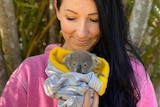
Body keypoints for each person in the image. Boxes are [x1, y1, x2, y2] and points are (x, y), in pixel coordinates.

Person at [0, 0, 158, 107]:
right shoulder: (30, 73)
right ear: (57, 9)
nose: (82, 33)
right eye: (71, 17)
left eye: (95, 20)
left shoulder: (132, 74)